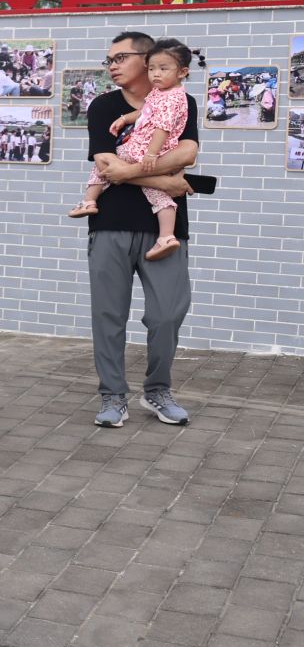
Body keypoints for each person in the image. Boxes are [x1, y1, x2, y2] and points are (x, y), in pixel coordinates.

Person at [86, 33, 197, 427]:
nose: (112, 65)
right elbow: (106, 166)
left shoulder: (181, 100)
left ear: (147, 59)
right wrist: (163, 179)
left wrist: (131, 172)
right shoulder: (103, 106)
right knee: (109, 316)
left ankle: (157, 390)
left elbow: (188, 152)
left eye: (120, 57)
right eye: (109, 59)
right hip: (110, 224)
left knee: (167, 314)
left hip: (165, 228)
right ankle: (113, 396)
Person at [70, 44, 191, 263]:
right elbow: (146, 112)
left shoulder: (174, 99)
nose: (156, 73)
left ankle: (89, 201)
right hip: (113, 221)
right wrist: (126, 118)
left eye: (163, 68)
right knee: (159, 193)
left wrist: (150, 156)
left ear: (182, 72)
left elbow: (168, 134)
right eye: (153, 68)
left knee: (104, 167)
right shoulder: (159, 94)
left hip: (145, 149)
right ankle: (166, 236)